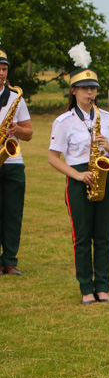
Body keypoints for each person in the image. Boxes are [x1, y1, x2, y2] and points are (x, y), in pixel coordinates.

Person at [48, 51, 109, 304]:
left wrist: (108, 146)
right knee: (82, 237)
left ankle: (103, 287)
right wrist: (78, 175)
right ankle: (86, 288)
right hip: (79, 177)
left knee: (104, 236)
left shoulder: (108, 119)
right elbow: (53, 157)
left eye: (93, 89)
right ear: (73, 91)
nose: (90, 94)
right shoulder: (64, 121)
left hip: (105, 176)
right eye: (84, 89)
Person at [0, 49, 33, 275]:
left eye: (4, 69)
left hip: (12, 161)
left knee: (13, 212)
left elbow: (29, 133)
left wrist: (16, 129)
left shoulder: (15, 97)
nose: (2, 73)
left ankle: (10, 260)